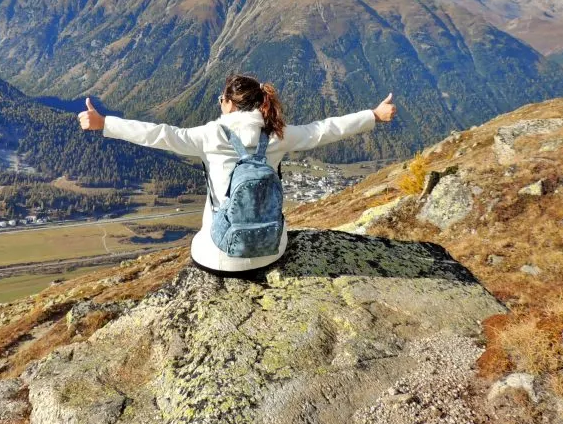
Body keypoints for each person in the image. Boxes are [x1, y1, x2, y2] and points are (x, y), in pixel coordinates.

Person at [78, 74, 397, 274]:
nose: (220, 104)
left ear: (229, 104)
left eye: (221, 99)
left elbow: (158, 133)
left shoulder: (209, 135)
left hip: (218, 257)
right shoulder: (278, 135)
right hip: (271, 251)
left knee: (200, 241)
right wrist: (373, 115)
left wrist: (104, 123)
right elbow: (327, 129)